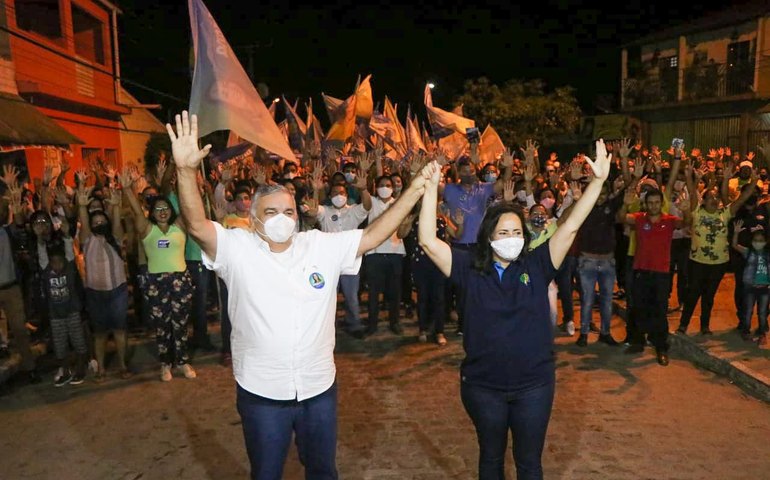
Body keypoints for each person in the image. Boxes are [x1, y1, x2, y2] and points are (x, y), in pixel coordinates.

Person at [168, 111, 431, 479]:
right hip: (262, 392)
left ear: (298, 215)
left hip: (318, 388)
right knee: (267, 472)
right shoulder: (236, 247)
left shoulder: (319, 246)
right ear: (254, 219)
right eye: (271, 211)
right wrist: (184, 171)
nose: (281, 218)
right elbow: (197, 224)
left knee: (323, 470)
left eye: (288, 211)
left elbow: (372, 235)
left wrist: (415, 190)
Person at [418, 139, 612, 479]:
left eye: (517, 231)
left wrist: (596, 183)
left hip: (534, 385)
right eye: (503, 231)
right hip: (483, 386)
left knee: (529, 463)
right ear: (489, 237)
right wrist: (431, 189)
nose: (512, 237)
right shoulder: (469, 268)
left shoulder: (538, 264)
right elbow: (428, 242)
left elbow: (569, 227)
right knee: (491, 460)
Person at [122, 169, 196, 382]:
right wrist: (127, 188)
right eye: (158, 208)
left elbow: (188, 204)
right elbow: (137, 212)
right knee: (162, 326)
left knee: (180, 324)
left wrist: (185, 179)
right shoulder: (147, 229)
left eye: (165, 208)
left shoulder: (179, 226)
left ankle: (182, 362)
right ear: (152, 212)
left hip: (180, 280)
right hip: (156, 282)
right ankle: (166, 364)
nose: (162, 211)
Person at [76, 183, 132, 381]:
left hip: (117, 291)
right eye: (96, 221)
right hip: (95, 293)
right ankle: (101, 368)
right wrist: (82, 206)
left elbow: (116, 223)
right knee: (99, 334)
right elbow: (84, 222)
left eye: (102, 220)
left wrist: (116, 206)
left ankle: (123, 365)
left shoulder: (114, 238)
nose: (99, 223)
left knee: (119, 330)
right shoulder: (87, 240)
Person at [43, 246, 88, 386]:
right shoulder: (46, 273)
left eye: (60, 262)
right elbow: (41, 254)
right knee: (60, 345)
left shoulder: (69, 269)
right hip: (55, 315)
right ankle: (66, 371)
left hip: (72, 312)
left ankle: (80, 369)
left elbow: (69, 251)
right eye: (53, 262)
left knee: (78, 341)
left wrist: (68, 236)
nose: (57, 265)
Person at [732, 220, 769, 345]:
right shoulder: (748, 252)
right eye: (756, 240)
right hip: (750, 287)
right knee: (748, 311)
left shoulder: (767, 255)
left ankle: (762, 333)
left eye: (761, 240)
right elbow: (735, 245)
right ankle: (746, 331)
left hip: (764, 288)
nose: (758, 243)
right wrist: (736, 233)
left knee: (763, 313)